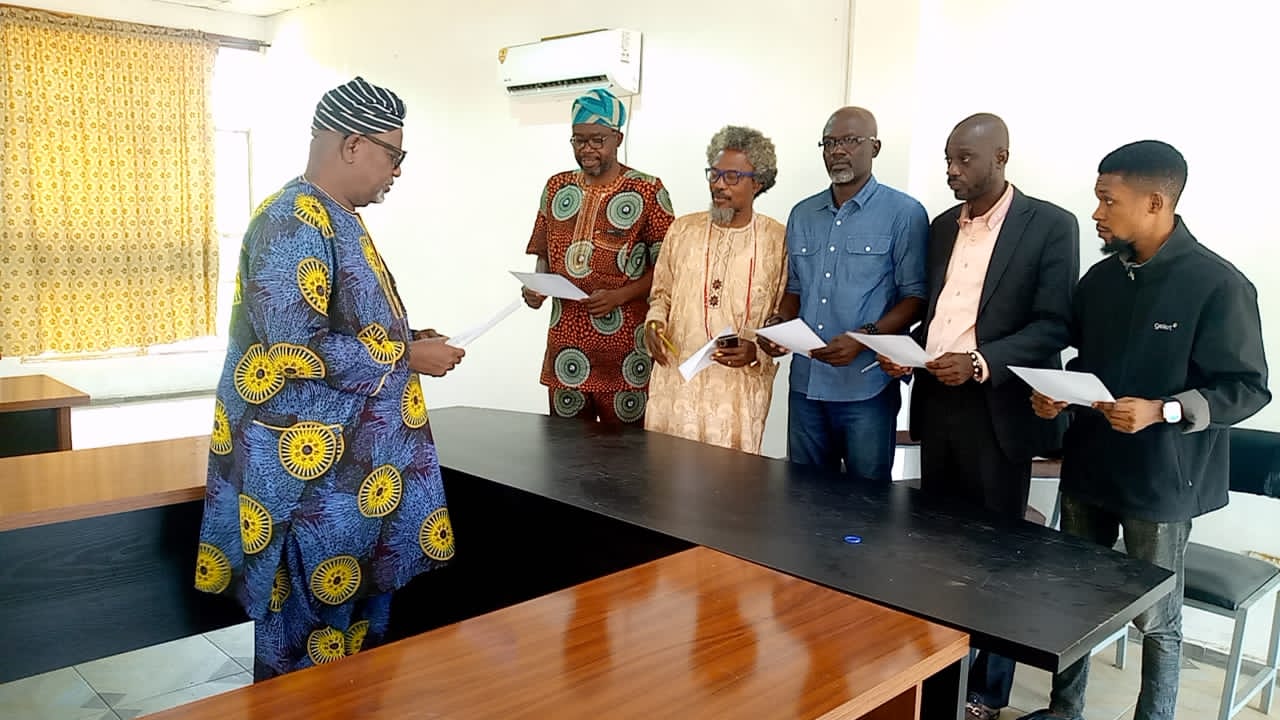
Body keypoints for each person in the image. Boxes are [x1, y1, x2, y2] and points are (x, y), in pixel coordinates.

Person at [194, 77, 465, 680]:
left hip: (353, 473)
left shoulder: (337, 216)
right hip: (308, 481)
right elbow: (295, 346)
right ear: (352, 145)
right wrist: (405, 357)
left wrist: (407, 337)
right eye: (393, 155)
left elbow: (344, 320)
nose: (397, 171)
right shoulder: (291, 220)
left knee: (353, 651)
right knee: (302, 651)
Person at [1018, 141, 1269, 720]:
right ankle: (1064, 710)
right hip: (1089, 466)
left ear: (1156, 202)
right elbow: (1087, 363)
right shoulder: (1099, 281)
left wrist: (1165, 411)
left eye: (1108, 200)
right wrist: (1058, 396)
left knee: (1157, 617)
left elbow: (1248, 388)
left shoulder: (1218, 284)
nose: (1096, 213)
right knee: (1076, 597)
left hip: (1161, 480)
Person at [879, 113, 1079, 720]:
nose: (952, 170)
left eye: (964, 159)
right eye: (948, 159)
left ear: (1001, 157)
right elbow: (942, 315)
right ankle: (938, 670)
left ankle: (986, 693)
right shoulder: (943, 226)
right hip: (937, 398)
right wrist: (908, 351)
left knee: (995, 559)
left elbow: (1054, 326)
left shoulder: (1050, 225)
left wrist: (981, 361)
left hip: (998, 410)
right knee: (938, 548)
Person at [757, 107, 927, 480]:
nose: (838, 150)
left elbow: (915, 298)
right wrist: (778, 324)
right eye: (830, 142)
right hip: (806, 385)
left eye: (850, 140)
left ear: (875, 147)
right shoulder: (803, 214)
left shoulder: (905, 213)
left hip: (865, 388)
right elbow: (795, 289)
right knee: (804, 498)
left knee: (866, 503)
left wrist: (863, 338)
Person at [522, 88, 675, 427]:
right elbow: (543, 251)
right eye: (578, 140)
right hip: (566, 353)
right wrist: (536, 287)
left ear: (617, 138)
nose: (587, 149)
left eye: (597, 140)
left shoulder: (647, 190)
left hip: (625, 356)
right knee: (565, 451)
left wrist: (620, 296)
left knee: (627, 453)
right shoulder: (556, 187)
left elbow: (667, 269)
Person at [643, 126, 787, 454]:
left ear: (758, 182)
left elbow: (783, 316)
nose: (719, 184)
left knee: (730, 480)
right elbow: (661, 293)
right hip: (677, 382)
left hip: (737, 391)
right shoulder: (682, 230)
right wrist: (653, 323)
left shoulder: (777, 240)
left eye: (732, 177)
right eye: (715, 174)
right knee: (665, 476)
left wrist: (757, 350)